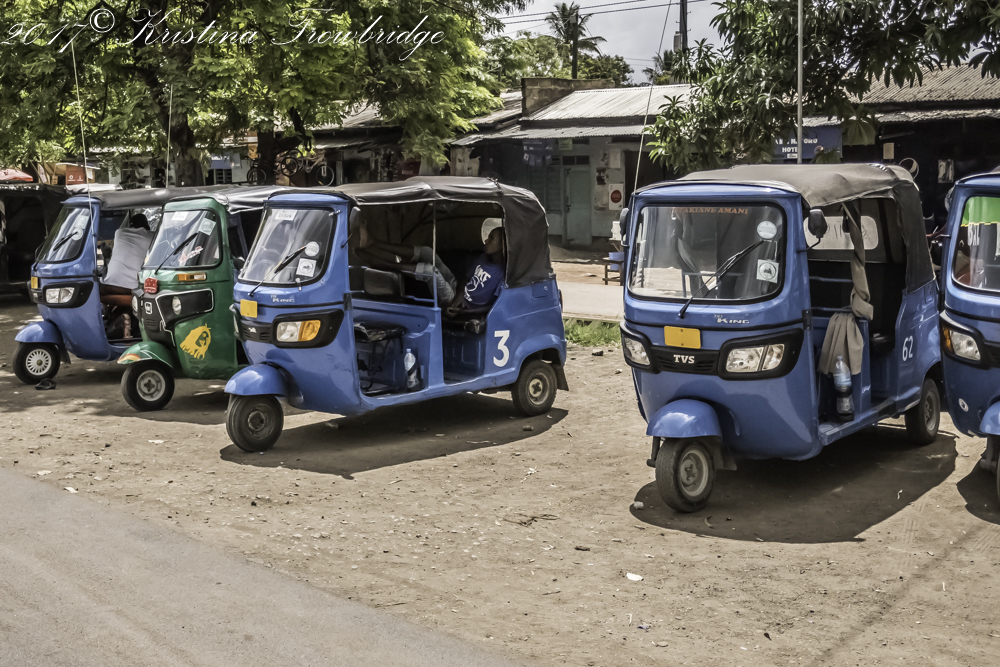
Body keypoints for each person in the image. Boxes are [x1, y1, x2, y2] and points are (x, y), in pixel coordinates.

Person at [356, 229, 457, 306]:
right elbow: (464, 281)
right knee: (427, 253)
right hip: (455, 285)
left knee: (430, 272)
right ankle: (372, 242)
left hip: (452, 301)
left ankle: (382, 264)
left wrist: (456, 308)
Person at [446, 226, 505, 316]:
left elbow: (494, 306)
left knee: (430, 271)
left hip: (465, 306)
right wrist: (460, 294)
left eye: (491, 238)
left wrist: (463, 312)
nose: (486, 241)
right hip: (457, 291)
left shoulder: (502, 274)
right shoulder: (483, 258)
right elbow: (466, 279)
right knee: (428, 254)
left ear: (502, 245)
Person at [101, 213, 154, 295]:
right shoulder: (151, 236)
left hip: (110, 283)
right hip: (133, 288)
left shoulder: (119, 232)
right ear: (146, 225)